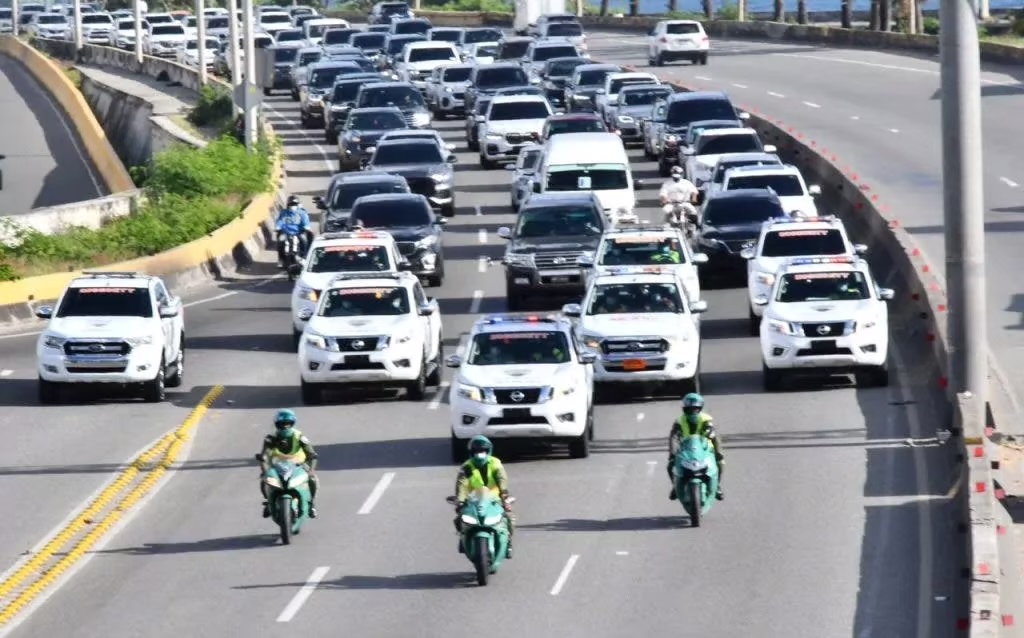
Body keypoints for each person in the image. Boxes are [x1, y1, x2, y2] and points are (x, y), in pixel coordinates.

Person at [453, 435, 515, 558]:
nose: (479, 455)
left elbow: (501, 479)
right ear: (471, 453)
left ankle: (508, 542)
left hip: (494, 500)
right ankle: (463, 538)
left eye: (482, 451)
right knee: (459, 519)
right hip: (473, 500)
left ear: (488, 451)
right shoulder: (467, 467)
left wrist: (504, 495)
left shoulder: (495, 463)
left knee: (509, 518)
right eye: (476, 452)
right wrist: (460, 501)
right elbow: (461, 484)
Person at [258, 409, 320, 518]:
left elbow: (312, 454)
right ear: (277, 424)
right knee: (264, 480)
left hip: (299, 464)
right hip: (277, 466)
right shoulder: (270, 438)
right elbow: (263, 456)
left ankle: (311, 504)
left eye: (288, 423)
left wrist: (311, 470)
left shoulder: (299, 436)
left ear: (292, 423)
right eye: (282, 424)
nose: (285, 426)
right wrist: (264, 470)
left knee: (312, 479)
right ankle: (267, 502)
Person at [666, 393, 724, 501]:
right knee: (670, 466)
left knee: (720, 463)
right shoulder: (679, 421)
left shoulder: (706, 419)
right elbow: (673, 437)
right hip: (685, 449)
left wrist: (719, 453)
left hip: (705, 449)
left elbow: (715, 436)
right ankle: (675, 486)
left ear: (700, 408)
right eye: (689, 409)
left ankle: (717, 486)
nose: (692, 411)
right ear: (684, 409)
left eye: (695, 408)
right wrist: (672, 454)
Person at [275, 195, 313, 266]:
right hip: (286, 233)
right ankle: (281, 259)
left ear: (297, 205)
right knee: (280, 241)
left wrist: (306, 227)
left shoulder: (302, 213)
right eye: (291, 204)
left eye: (294, 204)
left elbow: (306, 222)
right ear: (288, 205)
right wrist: (278, 227)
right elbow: (280, 221)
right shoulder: (284, 213)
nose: (292, 206)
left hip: (299, 232)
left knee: (304, 241)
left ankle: (303, 257)